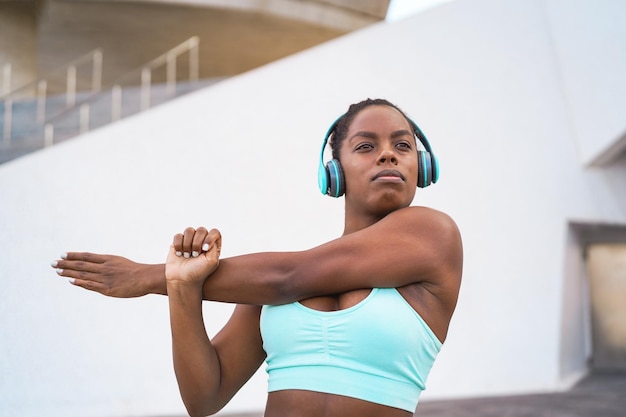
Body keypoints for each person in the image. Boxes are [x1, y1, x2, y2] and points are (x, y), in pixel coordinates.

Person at [52, 98, 463, 417]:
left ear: (422, 166)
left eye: (403, 145)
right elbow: (205, 397)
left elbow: (290, 276)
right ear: (334, 170)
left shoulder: (433, 234)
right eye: (366, 146)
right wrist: (180, 285)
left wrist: (147, 277)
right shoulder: (266, 280)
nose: (388, 155)